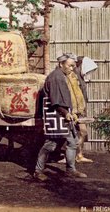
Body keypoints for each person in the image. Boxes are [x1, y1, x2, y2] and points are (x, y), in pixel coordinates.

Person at [33, 53, 88, 181]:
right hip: (55, 114)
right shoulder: (56, 78)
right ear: (61, 64)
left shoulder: (65, 76)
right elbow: (55, 101)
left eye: (73, 66)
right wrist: (66, 113)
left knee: (72, 142)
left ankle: (70, 169)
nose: (72, 68)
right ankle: (37, 170)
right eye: (69, 66)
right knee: (50, 144)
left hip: (64, 114)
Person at [73, 56, 98, 163]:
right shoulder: (73, 77)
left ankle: (79, 154)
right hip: (76, 110)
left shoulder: (80, 77)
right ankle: (75, 155)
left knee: (81, 133)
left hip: (81, 109)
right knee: (81, 132)